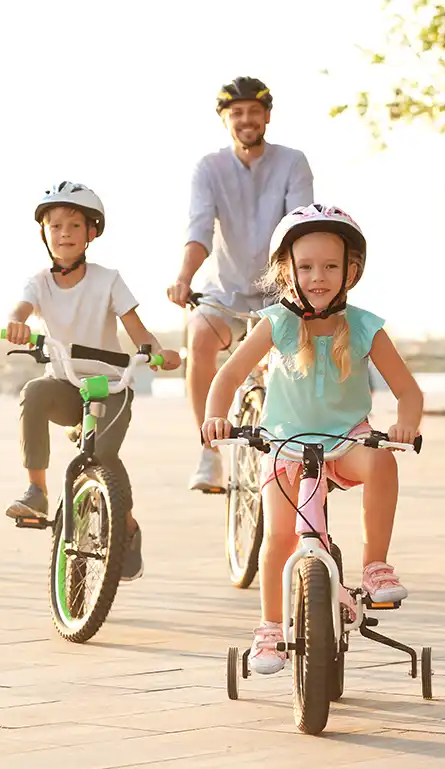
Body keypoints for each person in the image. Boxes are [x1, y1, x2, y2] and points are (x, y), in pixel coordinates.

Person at [200, 203, 424, 675]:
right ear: (288, 272)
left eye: (329, 266)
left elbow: (408, 391)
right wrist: (215, 416)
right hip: (284, 445)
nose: (318, 276)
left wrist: (406, 424)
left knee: (383, 461)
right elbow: (230, 374)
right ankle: (269, 627)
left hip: (346, 442)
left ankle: (375, 565)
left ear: (350, 271)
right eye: (306, 267)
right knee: (279, 536)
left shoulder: (364, 326)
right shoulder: (277, 322)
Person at [4, 181, 182, 582]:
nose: (63, 233)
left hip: (110, 387)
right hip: (66, 384)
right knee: (32, 393)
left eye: (73, 225)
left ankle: (127, 528)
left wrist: (157, 352)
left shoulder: (108, 280)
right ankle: (36, 491)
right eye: (55, 226)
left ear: (92, 233)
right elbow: (22, 308)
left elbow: (138, 331)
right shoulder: (39, 282)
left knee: (103, 454)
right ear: (44, 234)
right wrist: (16, 323)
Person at [166, 76, 315, 492]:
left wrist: (304, 285)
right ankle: (209, 453)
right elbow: (199, 230)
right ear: (225, 120)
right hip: (224, 290)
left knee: (300, 363)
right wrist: (183, 278)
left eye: (254, 111)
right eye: (237, 114)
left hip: (280, 291)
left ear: (267, 116)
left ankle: (305, 452)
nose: (246, 119)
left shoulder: (292, 162)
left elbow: (299, 228)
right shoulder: (209, 168)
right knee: (199, 340)